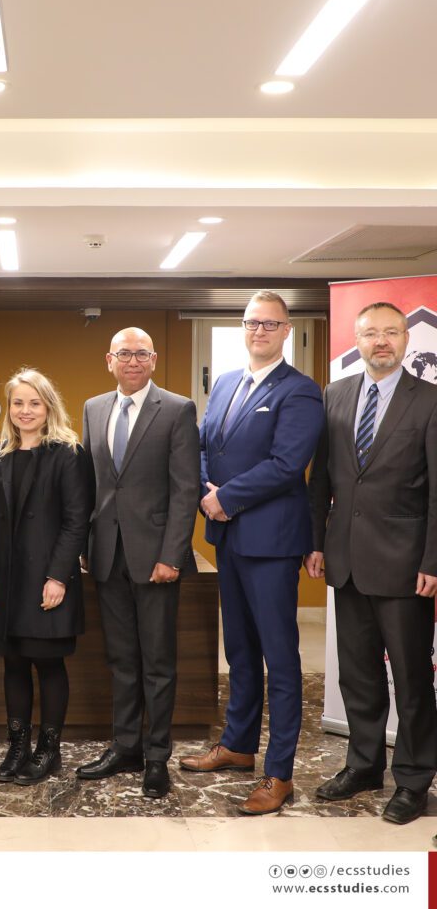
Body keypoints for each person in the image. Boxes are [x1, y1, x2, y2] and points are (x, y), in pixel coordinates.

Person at [181, 291, 323, 815]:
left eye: (269, 323)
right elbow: (202, 445)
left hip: (271, 541)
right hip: (228, 538)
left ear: (286, 330)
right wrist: (205, 493)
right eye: (251, 322)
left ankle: (279, 772)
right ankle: (238, 745)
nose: (259, 331)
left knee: (279, 659)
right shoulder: (224, 383)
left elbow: (288, 464)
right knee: (239, 650)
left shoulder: (300, 391)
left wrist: (226, 498)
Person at [307, 302, 437, 826]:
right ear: (357, 341)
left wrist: (433, 558)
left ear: (406, 339)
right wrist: (316, 542)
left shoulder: (429, 400)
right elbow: (322, 478)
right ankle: (363, 765)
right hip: (346, 560)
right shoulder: (335, 394)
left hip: (406, 565)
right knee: (358, 674)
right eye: (370, 333)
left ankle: (413, 779)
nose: (381, 341)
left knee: (411, 679)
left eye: (391, 332)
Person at [76, 328, 200, 798]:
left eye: (141, 353)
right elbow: (89, 483)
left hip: (155, 558)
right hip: (108, 555)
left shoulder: (177, 409)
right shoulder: (93, 408)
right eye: (124, 354)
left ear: (154, 359)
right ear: (109, 360)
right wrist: (85, 544)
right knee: (121, 659)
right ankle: (125, 746)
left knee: (158, 662)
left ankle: (156, 756)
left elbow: (185, 488)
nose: (133, 361)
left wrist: (172, 555)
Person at [0, 367, 90, 785]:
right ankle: (18, 746)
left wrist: (58, 577)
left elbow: (76, 521)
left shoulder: (68, 452)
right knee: (14, 663)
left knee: (49, 663)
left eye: (34, 403)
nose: (25, 410)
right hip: (7, 579)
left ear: (48, 406)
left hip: (46, 579)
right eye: (18, 403)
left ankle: (49, 750)